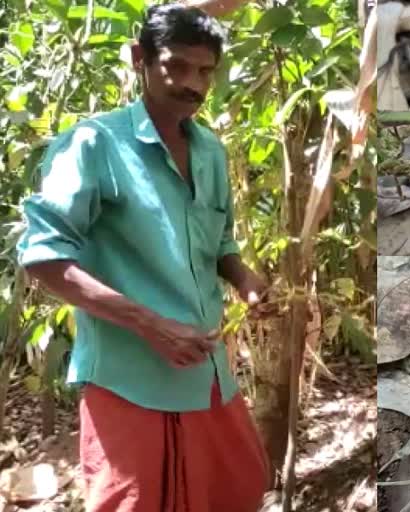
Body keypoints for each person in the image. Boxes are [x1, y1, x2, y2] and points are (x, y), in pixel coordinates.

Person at [16, 4, 272, 511]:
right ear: (140, 59)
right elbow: (43, 260)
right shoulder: (93, 144)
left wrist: (244, 277)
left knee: (235, 492)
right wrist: (151, 325)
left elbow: (219, 242)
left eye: (204, 72)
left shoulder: (210, 152)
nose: (192, 84)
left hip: (207, 377)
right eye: (176, 66)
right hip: (130, 381)